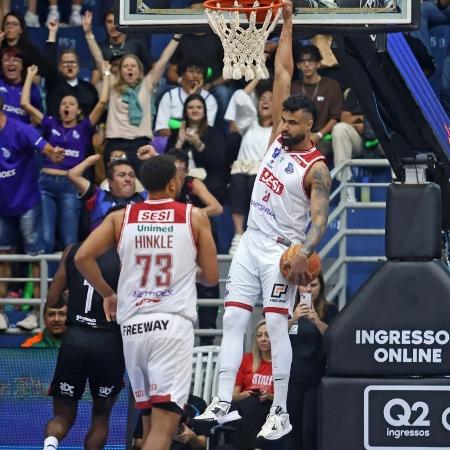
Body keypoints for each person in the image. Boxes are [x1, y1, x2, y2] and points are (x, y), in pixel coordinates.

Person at [195, 0, 331, 441]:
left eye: (292, 122)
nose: (283, 125)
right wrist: (287, 25)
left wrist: (303, 255)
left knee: (274, 325)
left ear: (309, 126)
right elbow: (284, 72)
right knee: (234, 321)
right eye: (283, 119)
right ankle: (220, 401)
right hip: (251, 241)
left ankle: (278, 410)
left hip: (280, 252)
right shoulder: (276, 138)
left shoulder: (316, 167)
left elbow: (321, 221)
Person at [74, 154, 219, 450]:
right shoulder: (194, 216)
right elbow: (211, 278)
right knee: (164, 431)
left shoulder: (120, 216)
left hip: (133, 328)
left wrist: (108, 294)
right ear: (173, 183)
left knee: (150, 423)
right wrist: (188, 270)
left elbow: (81, 257)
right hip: (170, 325)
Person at [41, 243, 125, 450]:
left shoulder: (73, 250)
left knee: (62, 415)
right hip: (109, 341)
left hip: (75, 339)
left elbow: (52, 300)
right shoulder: (127, 253)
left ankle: (50, 446)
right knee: (101, 415)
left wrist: (72, 298)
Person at [21, 63, 110, 253]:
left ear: (78, 110)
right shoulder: (50, 123)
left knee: (70, 237)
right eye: (63, 104)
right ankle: (45, 282)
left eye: (71, 104)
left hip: (70, 185)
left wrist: (107, 73)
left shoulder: (84, 127)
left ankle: (68, 282)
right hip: (45, 184)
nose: (66, 106)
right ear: (59, 109)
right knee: (46, 237)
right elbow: (25, 105)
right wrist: (29, 76)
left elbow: (102, 102)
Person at [83, 12, 182, 174]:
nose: (129, 68)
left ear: (139, 70)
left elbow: (163, 61)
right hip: (115, 143)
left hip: (141, 143)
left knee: (143, 186)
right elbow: (99, 59)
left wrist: (176, 38)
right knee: (119, 184)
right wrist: (88, 34)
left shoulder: (147, 83)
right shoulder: (113, 85)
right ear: (120, 71)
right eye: (125, 66)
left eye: (133, 66)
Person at [0, 95, 64, 330]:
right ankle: (1, 313)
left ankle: (37, 313)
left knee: (35, 259)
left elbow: (45, 148)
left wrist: (54, 153)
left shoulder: (20, 129)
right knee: (2, 259)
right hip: (1, 207)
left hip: (27, 203)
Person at [168, 148, 223, 345]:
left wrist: (190, 216)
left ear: (186, 169)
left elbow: (217, 207)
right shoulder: (163, 187)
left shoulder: (193, 183)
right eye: (173, 167)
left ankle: (207, 341)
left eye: (181, 168)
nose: (177, 172)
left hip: (201, 237)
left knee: (207, 288)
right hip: (178, 245)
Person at [285, 274, 338, 450]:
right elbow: (273, 336)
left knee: (310, 428)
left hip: (316, 377)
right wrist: (293, 318)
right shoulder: (288, 307)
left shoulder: (329, 310)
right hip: (291, 377)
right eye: (303, 285)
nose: (308, 290)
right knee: (292, 427)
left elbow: (335, 338)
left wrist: (316, 321)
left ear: (321, 287)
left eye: (313, 285)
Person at [225, 79, 274, 255]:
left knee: (256, 182)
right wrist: (259, 77)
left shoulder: (278, 129)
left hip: (263, 174)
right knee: (237, 182)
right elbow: (239, 96)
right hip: (242, 170)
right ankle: (238, 235)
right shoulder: (249, 122)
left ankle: (257, 235)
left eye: (270, 99)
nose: (266, 101)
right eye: (262, 99)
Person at [166, 94, 227, 204]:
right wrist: (179, 141)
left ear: (204, 111)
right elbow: (166, 162)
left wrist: (199, 144)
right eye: (190, 107)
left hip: (207, 178)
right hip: (181, 177)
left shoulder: (213, 132)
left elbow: (218, 161)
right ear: (185, 111)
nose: (195, 110)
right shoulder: (176, 132)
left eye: (199, 107)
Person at [227, 320, 274, 450]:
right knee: (251, 403)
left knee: (256, 407)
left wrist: (269, 396)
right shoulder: (247, 359)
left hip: (268, 406)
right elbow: (234, 397)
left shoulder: (281, 363)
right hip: (245, 404)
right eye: (259, 336)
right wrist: (247, 393)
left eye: (267, 335)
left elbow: (286, 397)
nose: (262, 339)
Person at [67, 155, 146, 231]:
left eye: (132, 175)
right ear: (110, 182)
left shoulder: (145, 197)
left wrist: (154, 156)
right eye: (122, 175)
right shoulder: (98, 196)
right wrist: (89, 161)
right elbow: (73, 174)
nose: (128, 179)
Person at [291, 44, 343, 157]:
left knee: (317, 152)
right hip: (298, 135)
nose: (306, 65)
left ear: (319, 63)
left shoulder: (331, 85)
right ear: (298, 65)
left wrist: (318, 135)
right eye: (302, 61)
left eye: (311, 61)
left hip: (323, 136)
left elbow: (335, 117)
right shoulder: (293, 87)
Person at [45, 20, 100, 119]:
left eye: (73, 62)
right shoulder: (54, 85)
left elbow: (97, 112)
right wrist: (52, 33)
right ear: (59, 67)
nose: (69, 65)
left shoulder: (88, 88)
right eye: (65, 63)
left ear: (78, 67)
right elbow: (49, 63)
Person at [155, 58, 219, 136]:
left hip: (198, 141)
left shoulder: (209, 99)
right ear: (182, 74)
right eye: (191, 71)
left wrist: (193, 95)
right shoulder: (169, 96)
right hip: (170, 140)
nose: (195, 76)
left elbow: (206, 130)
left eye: (199, 72)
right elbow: (162, 129)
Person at [132, 394, 208, 450]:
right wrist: (163, 435)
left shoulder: (198, 403)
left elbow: (202, 446)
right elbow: (138, 443)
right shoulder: (151, 404)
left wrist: (192, 437)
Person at [0, 10, 51, 79]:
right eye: (7, 24)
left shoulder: (30, 50)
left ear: (21, 29)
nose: (10, 27)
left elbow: (41, 74)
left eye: (14, 24)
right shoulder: (1, 46)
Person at [0, 47, 43, 124]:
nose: (10, 63)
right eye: (6, 60)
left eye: (15, 60)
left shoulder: (32, 88)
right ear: (2, 65)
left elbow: (38, 120)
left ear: (22, 65)